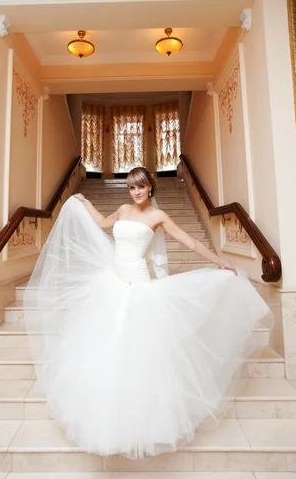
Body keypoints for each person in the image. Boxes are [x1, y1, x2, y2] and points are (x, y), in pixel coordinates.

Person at [24, 167, 272, 459]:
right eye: (131, 188)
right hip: (111, 283)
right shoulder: (122, 209)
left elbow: (189, 242)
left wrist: (220, 262)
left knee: (141, 352)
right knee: (105, 350)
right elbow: (103, 224)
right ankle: (107, 416)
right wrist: (84, 202)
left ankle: (144, 421)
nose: (136, 192)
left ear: (150, 188)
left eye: (140, 187)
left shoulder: (158, 217)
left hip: (139, 284)